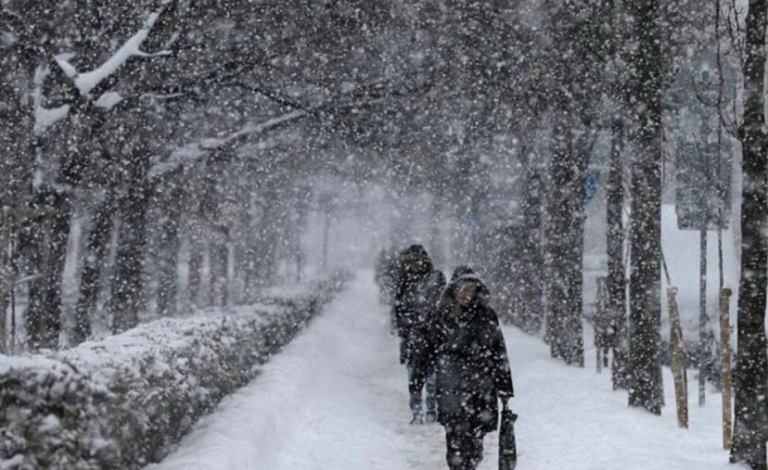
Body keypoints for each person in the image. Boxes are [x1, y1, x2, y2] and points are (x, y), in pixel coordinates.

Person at [411, 270, 514, 470]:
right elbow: (426, 349)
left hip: (481, 386)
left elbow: (499, 351)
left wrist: (505, 389)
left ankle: (471, 463)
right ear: (453, 290)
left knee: (476, 440)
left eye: (471, 289)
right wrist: (417, 378)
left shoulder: (486, 316)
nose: (466, 294)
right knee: (455, 440)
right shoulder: (441, 315)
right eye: (462, 289)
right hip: (451, 386)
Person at [394, 244, 446, 424]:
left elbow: (444, 303)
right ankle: (416, 412)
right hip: (413, 337)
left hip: (433, 335)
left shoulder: (436, 278)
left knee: (433, 376)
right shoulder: (404, 281)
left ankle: (432, 409)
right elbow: (399, 309)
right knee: (414, 376)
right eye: (412, 262)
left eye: (418, 261)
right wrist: (407, 327)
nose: (416, 265)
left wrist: (435, 323)